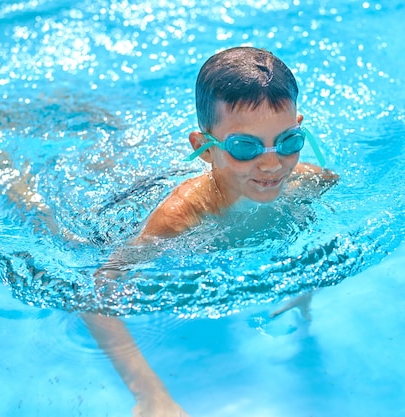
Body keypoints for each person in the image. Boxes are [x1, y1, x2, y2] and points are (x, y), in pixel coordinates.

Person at [83, 46, 339, 417]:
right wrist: (150, 394)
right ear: (204, 148)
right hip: (120, 202)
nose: (272, 164)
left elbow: (316, 233)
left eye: (288, 141)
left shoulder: (309, 182)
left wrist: (304, 285)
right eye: (244, 147)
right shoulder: (179, 218)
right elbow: (96, 296)